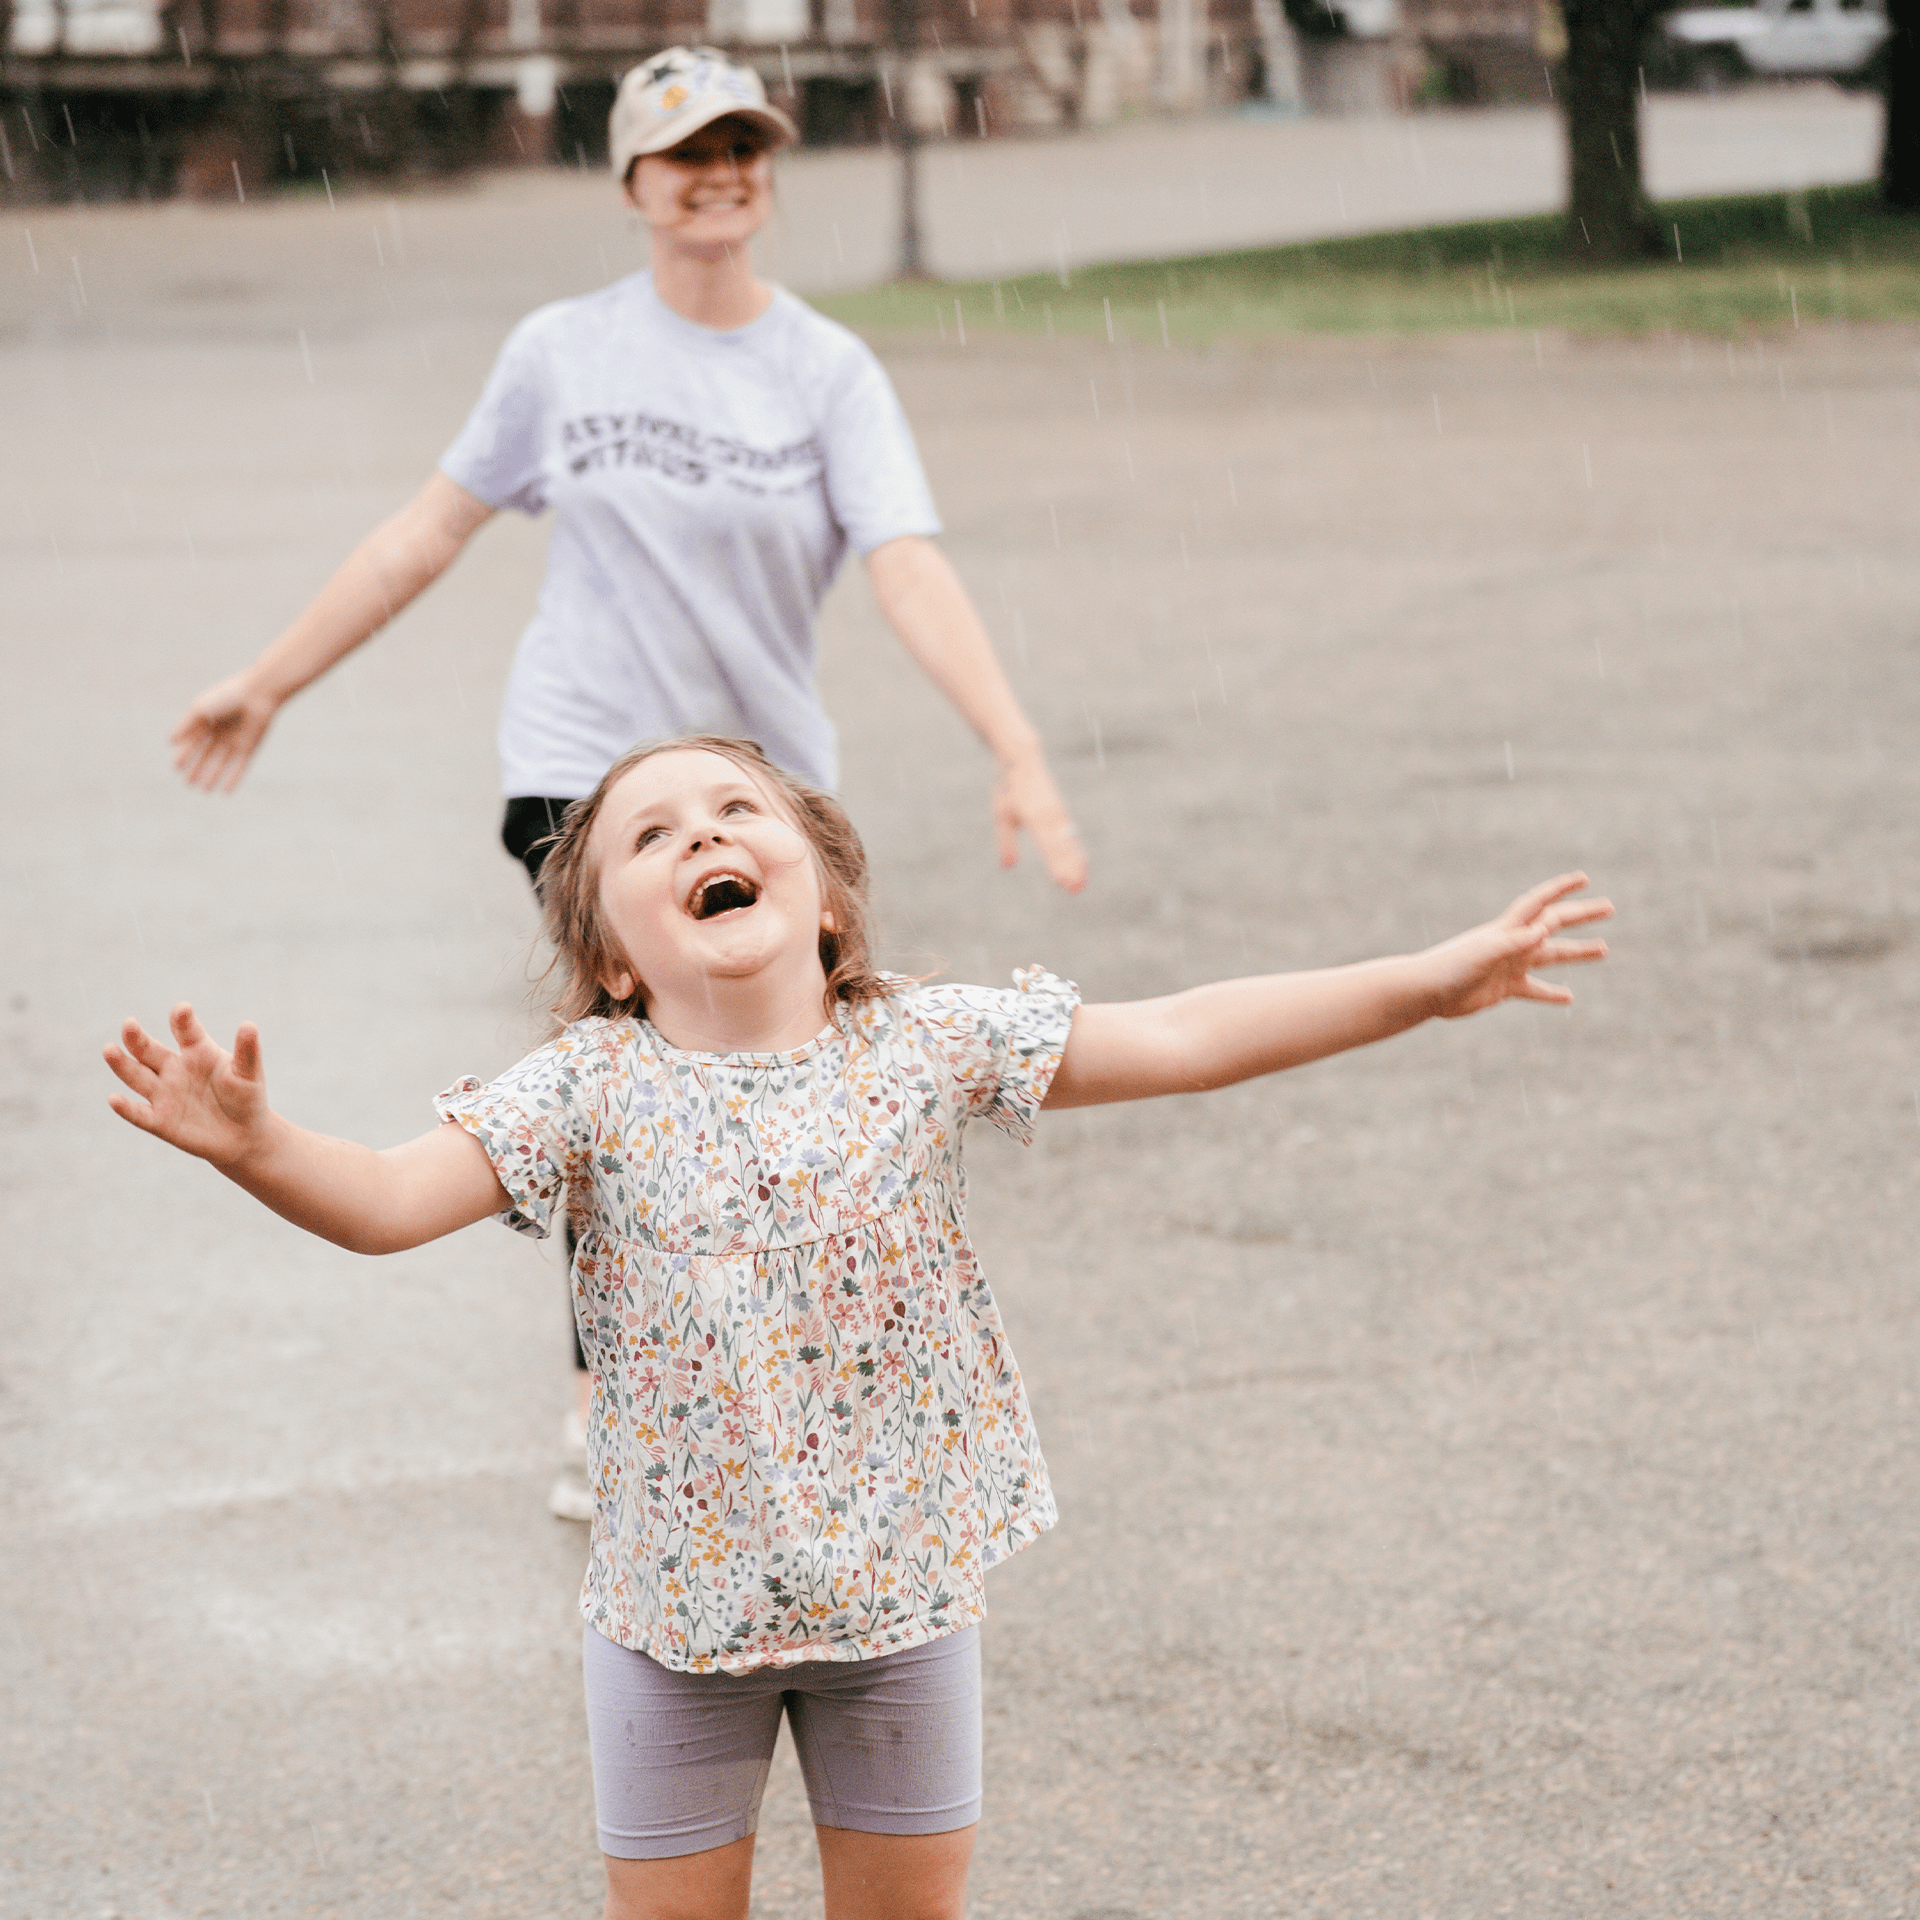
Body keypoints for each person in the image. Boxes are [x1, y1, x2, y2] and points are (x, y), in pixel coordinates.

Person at [103, 734, 1610, 1920]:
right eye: (651, 834)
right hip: (672, 1628)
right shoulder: (588, 1090)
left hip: (899, 1608)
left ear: (822, 893)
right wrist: (257, 1147)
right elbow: (378, 1199)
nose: (701, 833)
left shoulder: (924, 1044)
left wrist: (1424, 982)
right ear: (617, 958)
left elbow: (1188, 1034)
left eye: (734, 809)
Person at [167, 48, 1086, 1518]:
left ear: (767, 171)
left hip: (755, 789)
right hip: (584, 783)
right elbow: (427, 530)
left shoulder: (827, 371)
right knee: (639, 1073)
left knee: (780, 1064)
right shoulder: (562, 352)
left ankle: (794, 1369)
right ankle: (616, 1396)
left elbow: (906, 567)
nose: (719, 173)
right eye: (685, 153)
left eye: (742, 147)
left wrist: (1016, 742)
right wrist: (269, 678)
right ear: (632, 184)